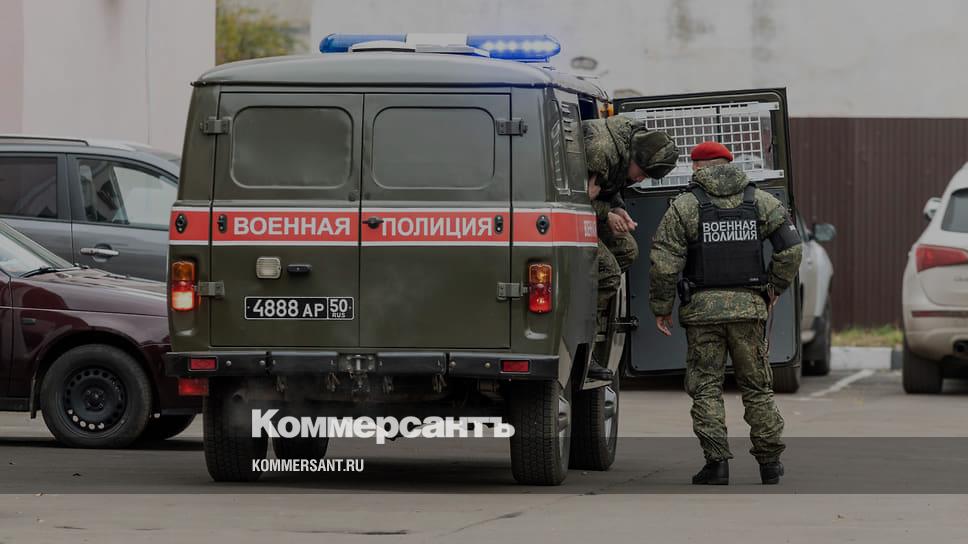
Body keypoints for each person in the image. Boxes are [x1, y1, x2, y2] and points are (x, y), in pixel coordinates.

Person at [648, 141, 802, 485]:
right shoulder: (760, 201)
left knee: (706, 387)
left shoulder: (685, 206)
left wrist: (661, 307)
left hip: (702, 314)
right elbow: (792, 249)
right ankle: (770, 465)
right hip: (748, 310)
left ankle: (716, 464)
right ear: (729, 164)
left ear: (698, 168)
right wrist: (775, 286)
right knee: (757, 387)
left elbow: (664, 262)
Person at [582, 115, 678, 380]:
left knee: (627, 250)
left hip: (591, 211)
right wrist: (606, 215)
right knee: (609, 273)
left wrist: (618, 209)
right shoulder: (601, 151)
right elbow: (576, 199)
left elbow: (608, 187)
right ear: (635, 157)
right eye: (643, 173)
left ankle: (588, 297)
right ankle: (584, 347)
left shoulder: (624, 149)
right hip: (565, 220)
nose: (640, 180)